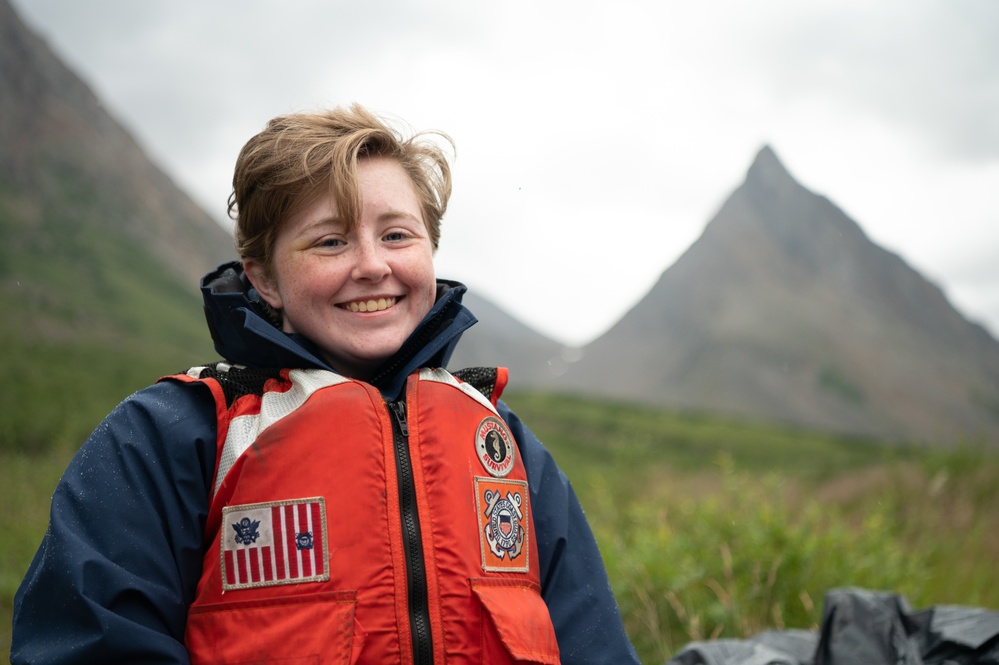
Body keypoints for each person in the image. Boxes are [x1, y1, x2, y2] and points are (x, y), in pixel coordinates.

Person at [11, 104, 641, 664]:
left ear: (429, 252)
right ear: (264, 279)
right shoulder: (170, 435)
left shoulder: (503, 446)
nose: (372, 266)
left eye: (397, 235)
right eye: (330, 241)